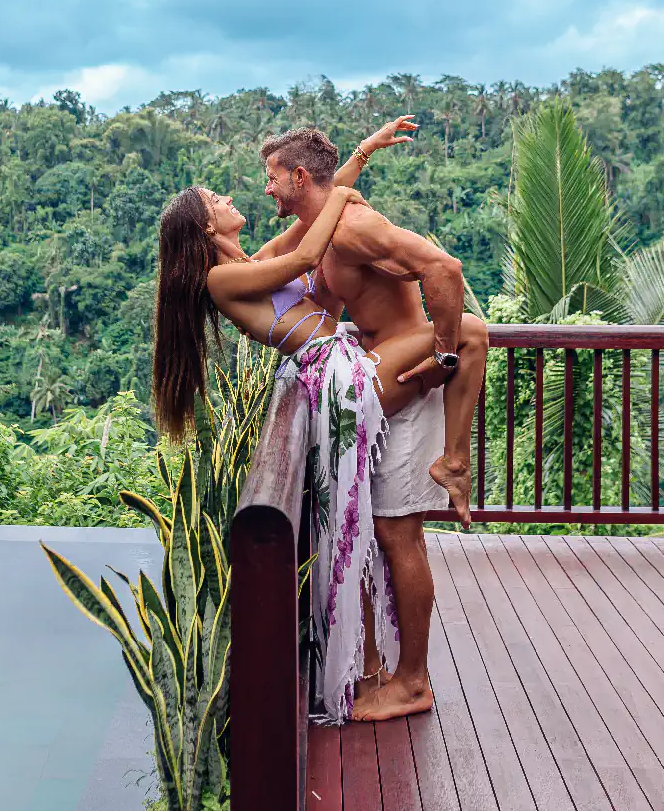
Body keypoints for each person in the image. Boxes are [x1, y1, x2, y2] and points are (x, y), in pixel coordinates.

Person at [151, 121, 448, 724]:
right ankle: (452, 428)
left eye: (254, 185)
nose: (236, 199)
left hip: (343, 366)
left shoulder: (255, 260)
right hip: (336, 376)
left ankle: (385, 669)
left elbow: (308, 215)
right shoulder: (222, 278)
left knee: (368, 524)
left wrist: (359, 156)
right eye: (219, 201)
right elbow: (313, 247)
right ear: (207, 228)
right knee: (461, 339)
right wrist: (343, 197)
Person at [259, 126, 489, 724]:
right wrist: (362, 151)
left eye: (272, 177)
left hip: (405, 391)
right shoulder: (326, 223)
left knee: (398, 536)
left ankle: (413, 682)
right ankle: (386, 671)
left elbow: (443, 268)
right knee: (378, 536)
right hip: (380, 382)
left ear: (299, 178)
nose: (267, 188)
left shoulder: (353, 227)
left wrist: (440, 356)